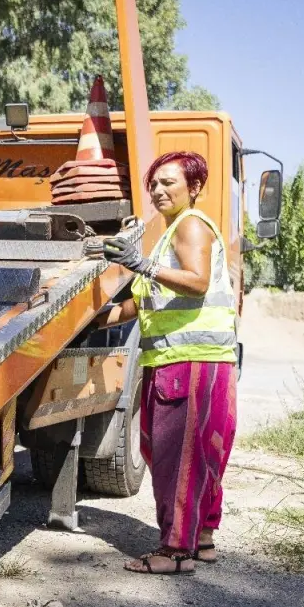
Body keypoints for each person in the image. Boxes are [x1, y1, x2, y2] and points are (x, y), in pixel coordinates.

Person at [97, 151, 239, 576]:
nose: (158, 190)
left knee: (176, 457)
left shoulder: (190, 226)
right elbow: (140, 304)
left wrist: (141, 264)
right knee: (200, 454)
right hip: (194, 361)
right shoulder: (169, 234)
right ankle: (203, 539)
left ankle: (175, 552)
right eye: (153, 184)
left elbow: (195, 283)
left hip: (187, 362)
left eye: (169, 183)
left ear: (194, 188)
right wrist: (90, 323)